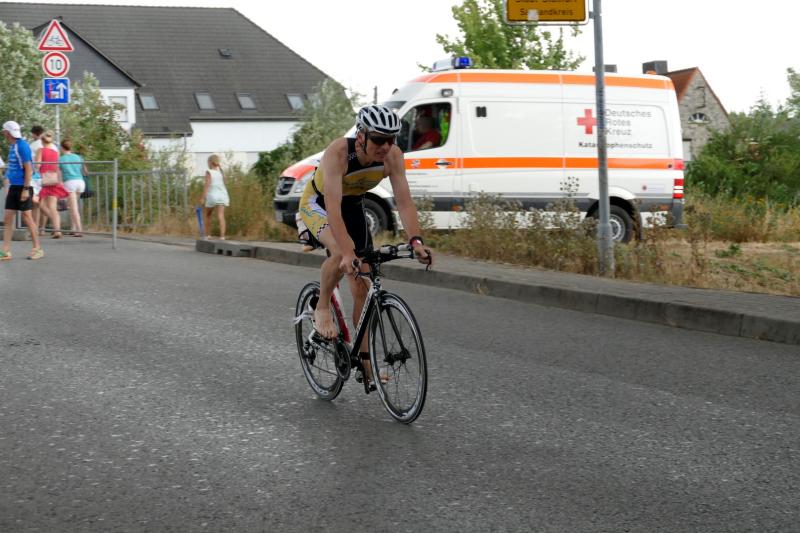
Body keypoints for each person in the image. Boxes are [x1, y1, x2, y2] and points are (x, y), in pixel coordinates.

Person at [298, 104, 432, 386]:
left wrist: (416, 241)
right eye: (379, 139)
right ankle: (322, 307)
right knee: (339, 253)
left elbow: (404, 202)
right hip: (319, 204)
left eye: (391, 139)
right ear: (361, 136)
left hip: (353, 206)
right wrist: (348, 252)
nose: (386, 146)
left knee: (363, 287)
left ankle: (366, 364)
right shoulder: (338, 152)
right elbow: (333, 209)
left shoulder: (392, 156)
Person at [1, 121, 43, 260]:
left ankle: (37, 248)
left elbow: (29, 168)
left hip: (24, 186)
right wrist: (8, 184)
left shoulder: (22, 145)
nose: (3, 133)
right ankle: (5, 251)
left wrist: (25, 189)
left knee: (27, 217)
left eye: (4, 131)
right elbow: (12, 168)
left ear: (8, 132)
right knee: (8, 218)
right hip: (14, 187)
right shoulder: (13, 146)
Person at [36, 131, 69, 239]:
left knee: (41, 205)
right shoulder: (55, 152)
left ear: (42, 141)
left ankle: (57, 228)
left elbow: (37, 165)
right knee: (52, 207)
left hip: (45, 180)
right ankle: (57, 229)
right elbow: (57, 167)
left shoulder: (40, 150)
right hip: (53, 180)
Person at [59, 139, 87, 237]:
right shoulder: (78, 157)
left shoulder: (61, 159)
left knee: (74, 208)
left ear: (62, 148)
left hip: (70, 183)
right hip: (80, 182)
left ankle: (79, 230)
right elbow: (85, 171)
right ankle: (73, 228)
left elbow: (59, 174)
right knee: (72, 206)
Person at [200, 154, 229, 240]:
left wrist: (203, 197)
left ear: (210, 162)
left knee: (208, 215)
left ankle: (208, 235)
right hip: (223, 195)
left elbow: (207, 185)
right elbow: (225, 183)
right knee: (221, 215)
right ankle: (222, 236)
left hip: (212, 195)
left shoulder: (209, 172)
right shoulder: (221, 172)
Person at [29, 125, 44, 234]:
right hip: (44, 176)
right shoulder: (47, 145)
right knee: (39, 204)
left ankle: (35, 228)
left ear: (34, 133)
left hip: (35, 176)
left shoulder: (34, 145)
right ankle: (40, 228)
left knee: (35, 204)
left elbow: (35, 161)